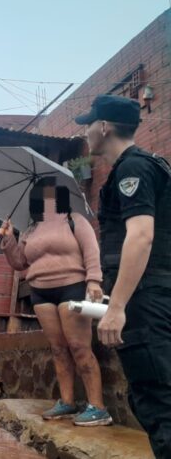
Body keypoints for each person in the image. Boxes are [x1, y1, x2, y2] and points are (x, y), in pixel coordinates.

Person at [77, 94, 171, 457]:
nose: (84, 132)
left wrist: (117, 307)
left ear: (104, 127)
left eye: (88, 124)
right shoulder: (150, 165)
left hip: (147, 301)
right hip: (154, 294)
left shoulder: (133, 169)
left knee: (158, 401)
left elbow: (141, 236)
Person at [0, 177, 112, 426]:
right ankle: (67, 402)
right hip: (40, 293)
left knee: (79, 347)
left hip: (72, 287)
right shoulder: (30, 229)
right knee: (58, 349)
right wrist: (8, 240)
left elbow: (91, 250)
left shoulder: (74, 220)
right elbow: (20, 263)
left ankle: (98, 407)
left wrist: (94, 281)